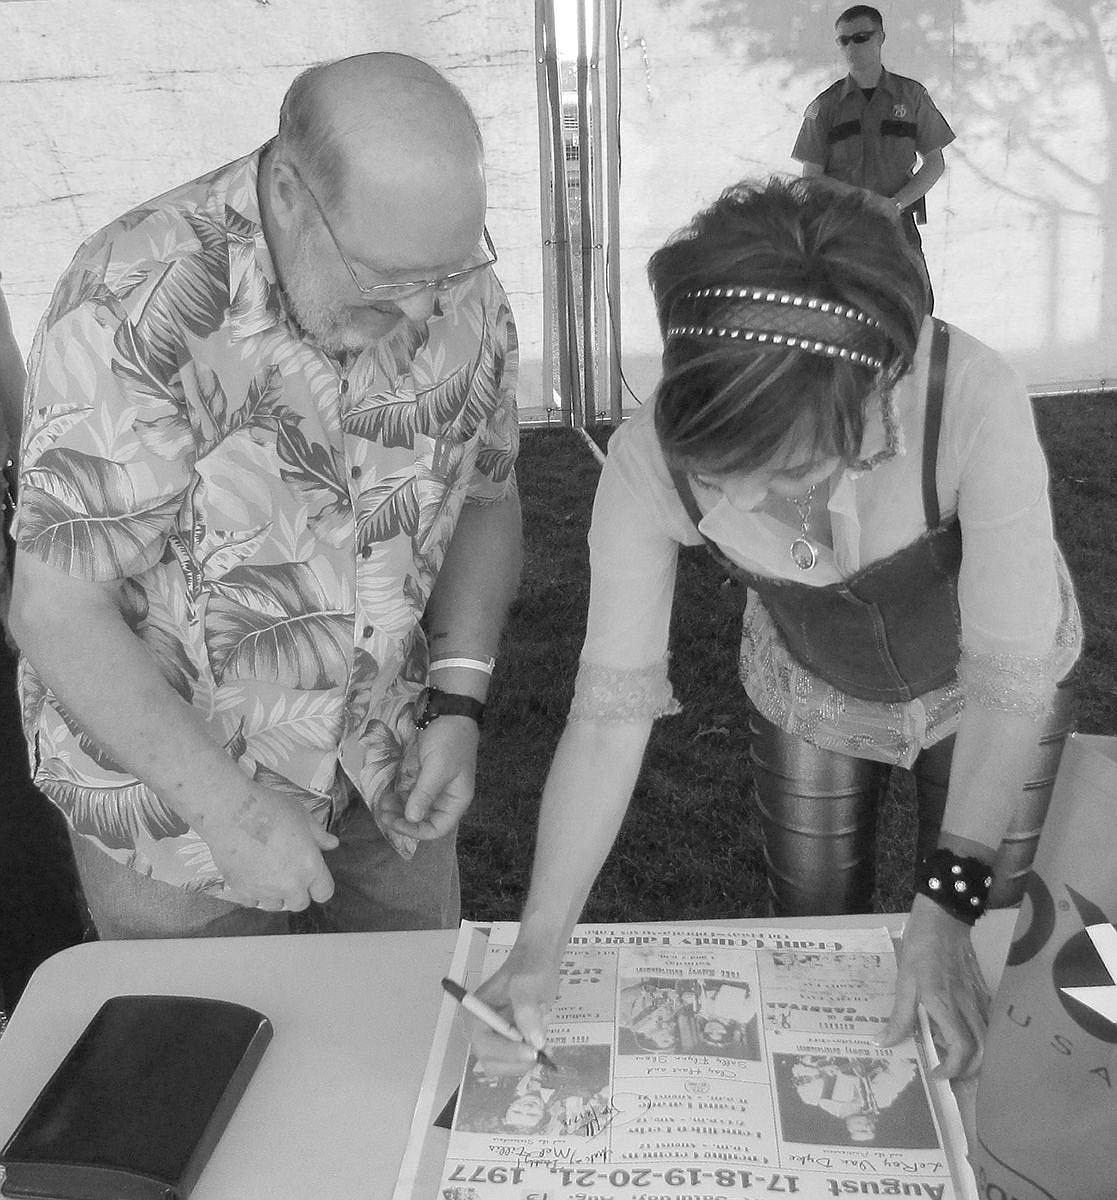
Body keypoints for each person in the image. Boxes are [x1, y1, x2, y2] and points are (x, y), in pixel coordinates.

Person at [469, 176, 1080, 1081]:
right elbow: (605, 717)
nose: (746, 501)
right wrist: (540, 942)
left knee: (988, 944)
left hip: (997, 692)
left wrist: (946, 905)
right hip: (814, 691)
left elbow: (1008, 680)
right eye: (719, 470)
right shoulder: (644, 463)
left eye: (786, 465)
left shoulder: (973, 400)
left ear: (880, 391)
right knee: (812, 940)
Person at [7, 53, 522, 939]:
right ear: (288, 190)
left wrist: (459, 701)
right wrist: (231, 814)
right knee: (200, 1069)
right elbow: (57, 610)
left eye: (448, 271)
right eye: (387, 280)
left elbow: (484, 497)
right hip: (176, 814)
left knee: (405, 1055)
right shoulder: (131, 301)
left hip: (387, 778)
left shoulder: (457, 294)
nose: (423, 312)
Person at [791, 5, 954, 301]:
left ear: (880, 38)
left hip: (897, 223)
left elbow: (934, 164)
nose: (852, 46)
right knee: (846, 308)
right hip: (843, 227)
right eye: (844, 40)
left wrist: (894, 204)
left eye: (861, 37)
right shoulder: (825, 107)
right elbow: (811, 180)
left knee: (915, 305)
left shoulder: (912, 96)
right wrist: (867, 201)